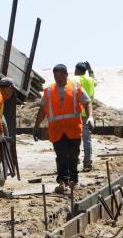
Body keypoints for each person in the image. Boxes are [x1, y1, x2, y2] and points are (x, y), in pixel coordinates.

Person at [33, 64, 94, 194]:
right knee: (61, 156)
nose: (58, 78)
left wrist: (90, 117)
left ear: (66, 74)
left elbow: (87, 102)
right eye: (55, 76)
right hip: (57, 130)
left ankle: (73, 179)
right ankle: (62, 181)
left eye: (60, 75)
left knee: (73, 156)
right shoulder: (49, 90)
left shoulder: (76, 88)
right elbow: (42, 109)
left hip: (73, 129)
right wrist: (36, 126)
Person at [72, 61, 97, 172]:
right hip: (87, 114)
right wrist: (90, 70)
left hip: (75, 115)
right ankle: (87, 164)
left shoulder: (74, 80)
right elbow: (94, 79)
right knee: (87, 139)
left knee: (74, 138)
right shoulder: (90, 80)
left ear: (77, 70)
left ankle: (74, 160)